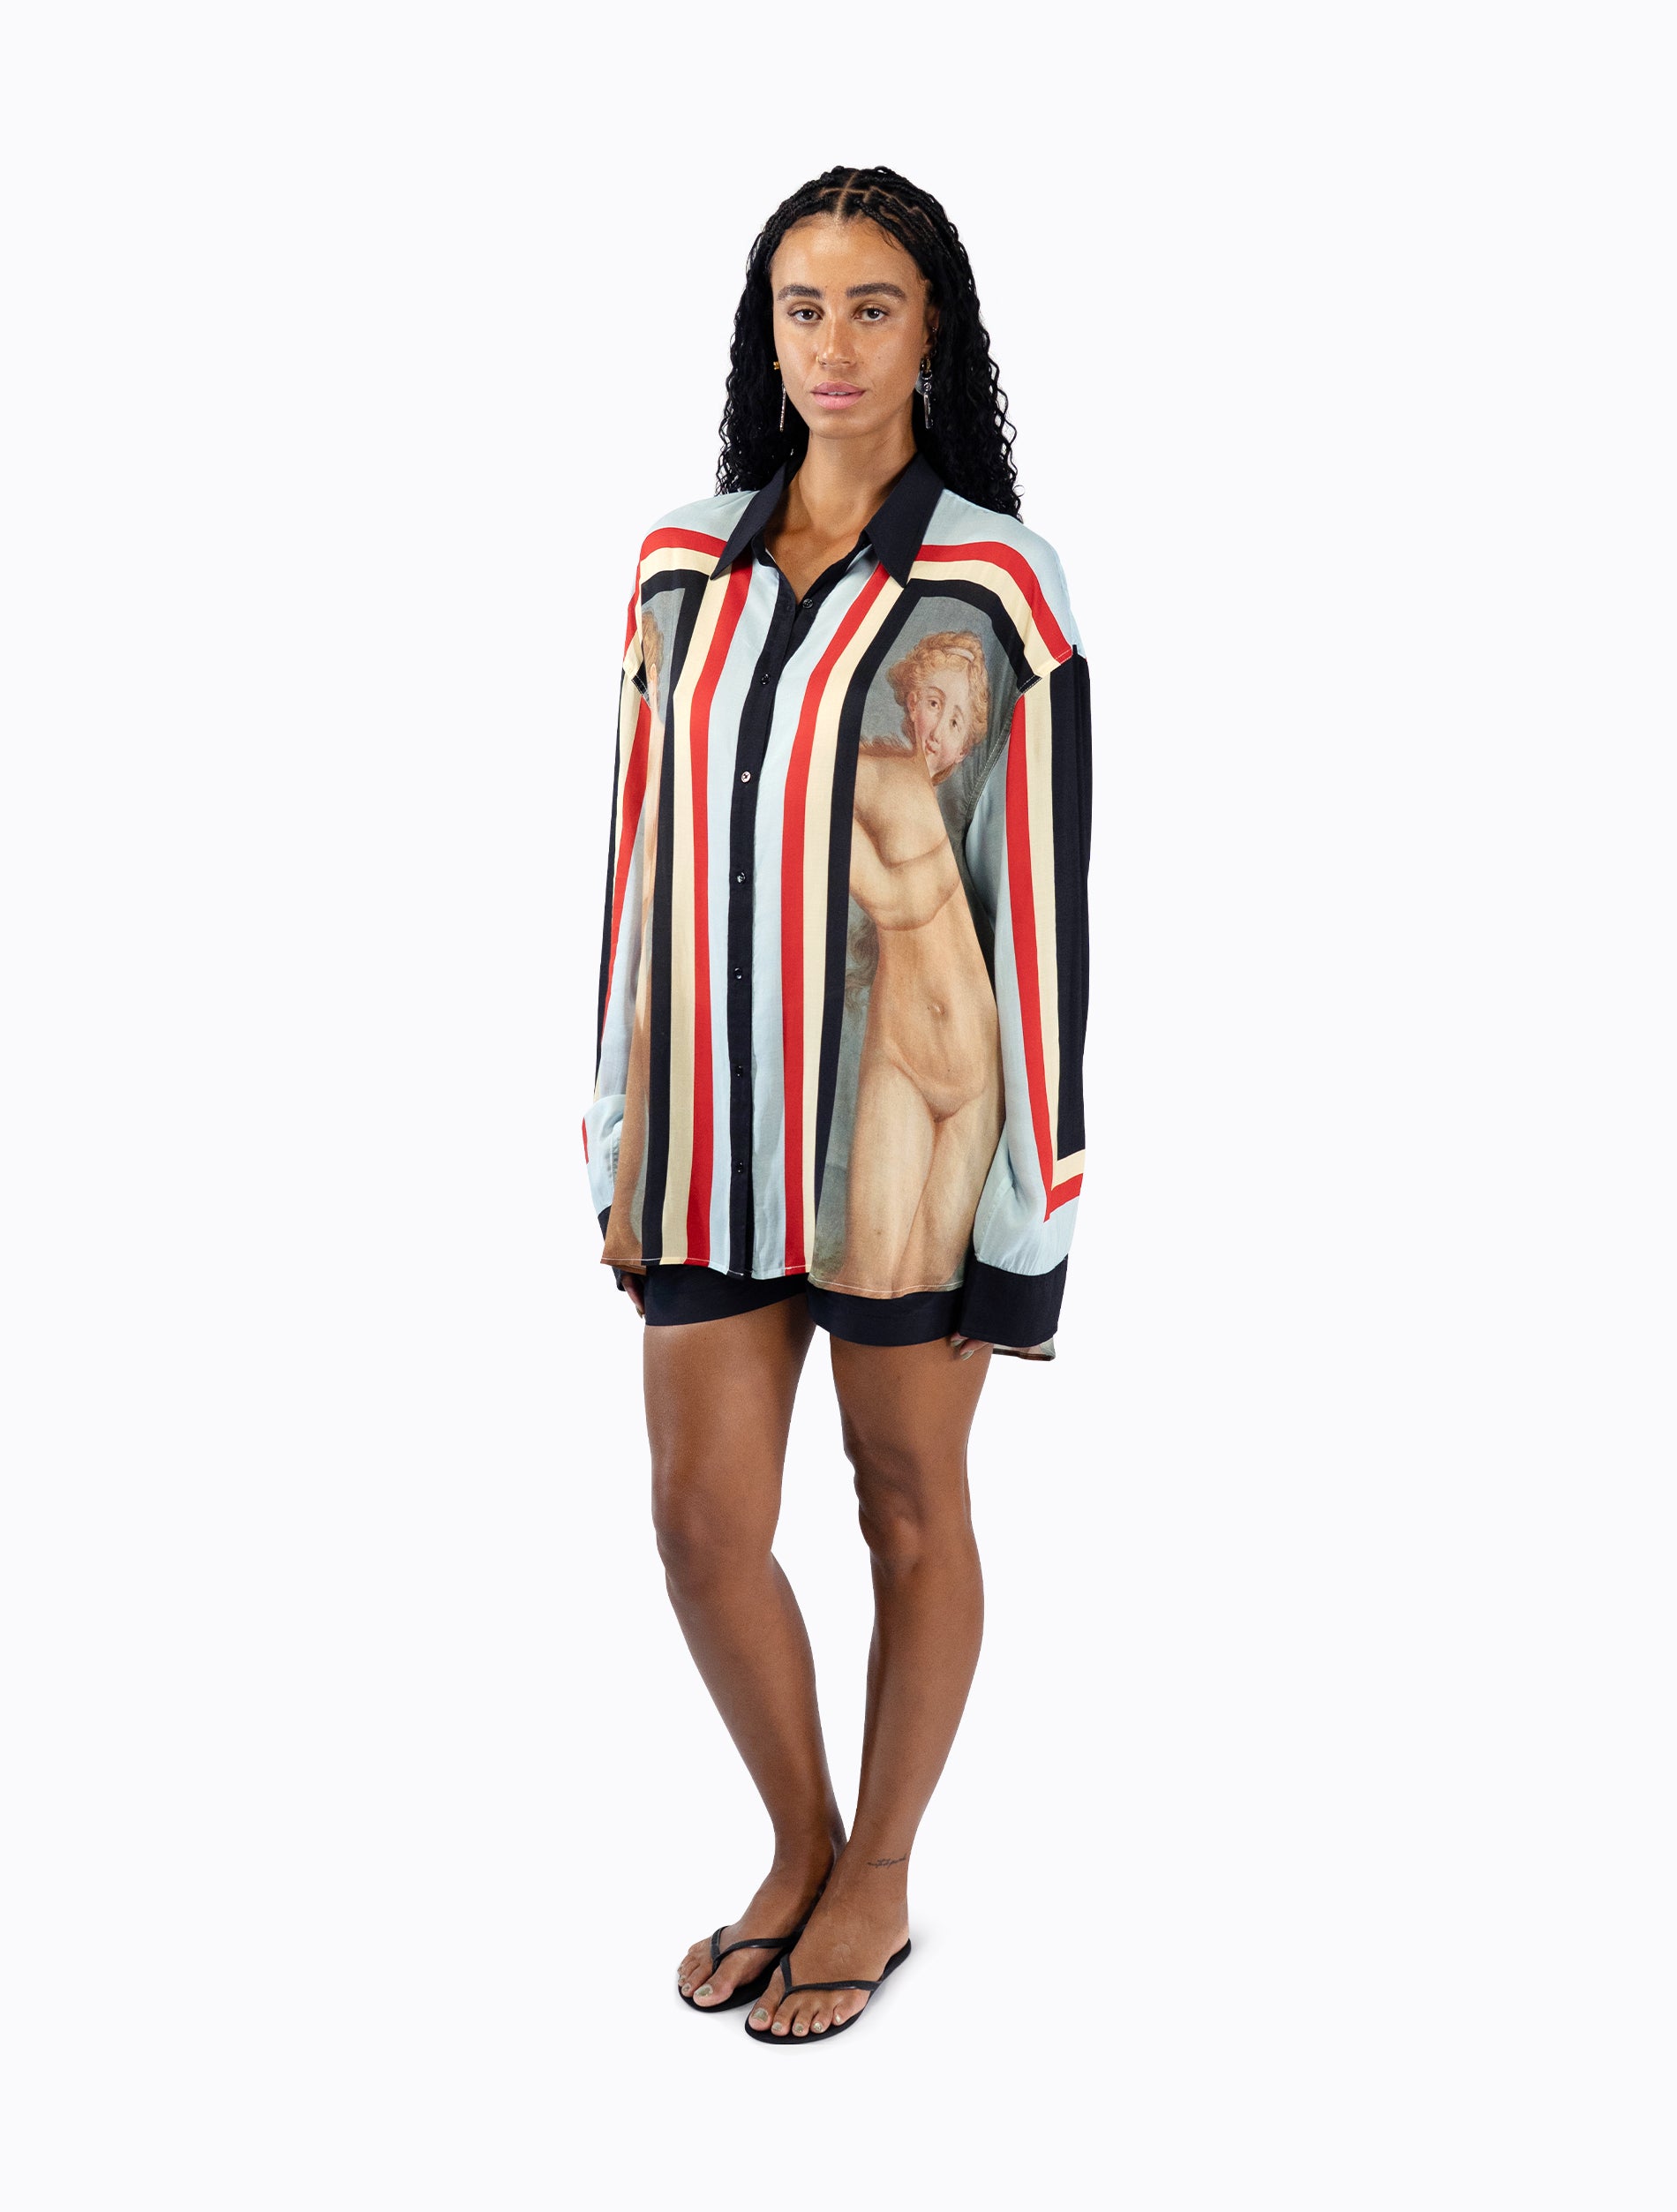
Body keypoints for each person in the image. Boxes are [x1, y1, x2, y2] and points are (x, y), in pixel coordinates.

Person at [583, 166, 1094, 2044]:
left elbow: (1040, 897)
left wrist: (1033, 1195)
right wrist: (615, 1124)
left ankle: (879, 1868)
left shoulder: (993, 577)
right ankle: (799, 1838)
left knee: (904, 1500)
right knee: (700, 1525)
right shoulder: (677, 565)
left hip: (915, 1139)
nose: (835, 344)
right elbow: (635, 860)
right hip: (708, 1130)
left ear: (931, 327)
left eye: (873, 305)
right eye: (803, 306)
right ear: (765, 331)